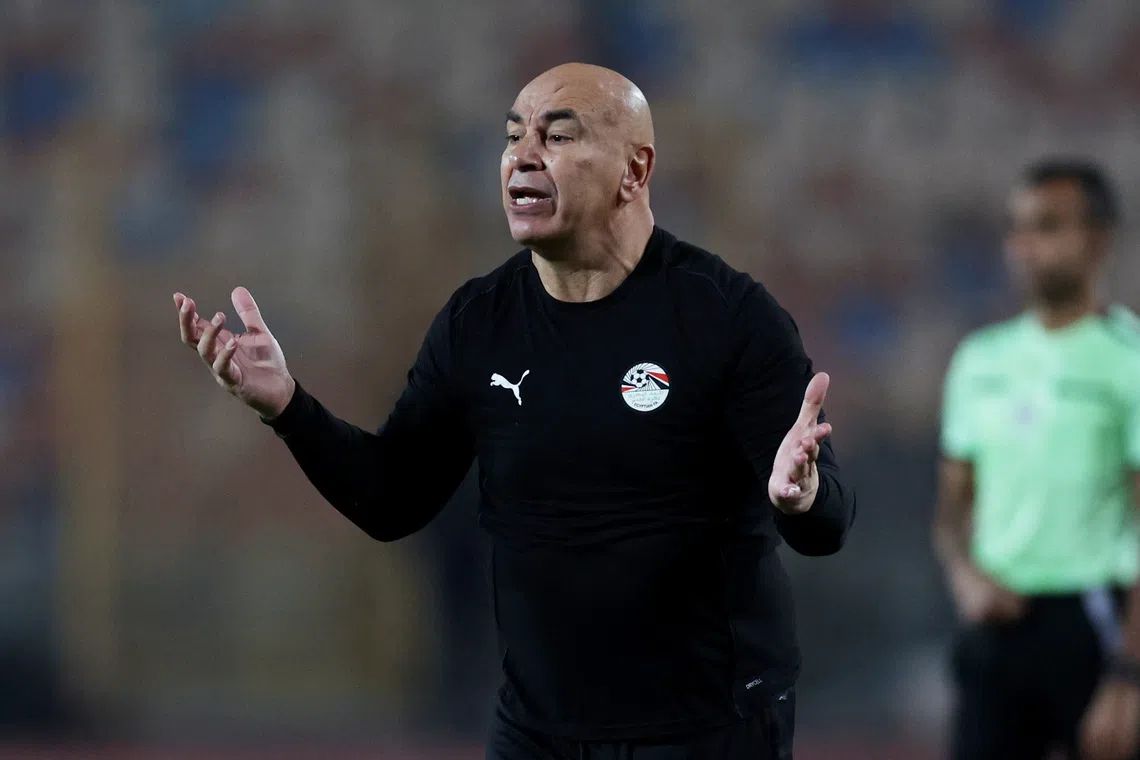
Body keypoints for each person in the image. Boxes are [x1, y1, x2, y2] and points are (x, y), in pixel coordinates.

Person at [174, 63, 855, 760]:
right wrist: (287, 406)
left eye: (557, 136)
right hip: (538, 735)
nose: (523, 156)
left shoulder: (729, 318)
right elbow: (391, 498)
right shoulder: (478, 323)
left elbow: (828, 519)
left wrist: (798, 499)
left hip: (708, 729)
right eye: (513, 137)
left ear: (635, 169)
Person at [934, 159, 1140, 760]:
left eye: (1048, 226)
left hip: (1096, 623)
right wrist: (965, 577)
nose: (1025, 245)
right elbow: (951, 513)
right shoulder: (979, 361)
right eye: (1018, 228)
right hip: (997, 628)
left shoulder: (1127, 361)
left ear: (1098, 240)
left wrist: (1130, 674)